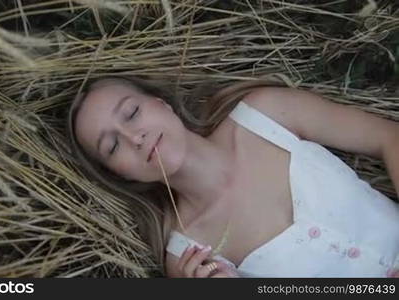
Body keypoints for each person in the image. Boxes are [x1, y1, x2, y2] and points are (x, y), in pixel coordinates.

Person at [66, 75, 399, 278]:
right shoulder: (187, 258)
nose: (133, 136)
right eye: (111, 146)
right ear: (118, 174)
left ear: (160, 103)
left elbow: (389, 137)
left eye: (132, 112)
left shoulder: (267, 113)